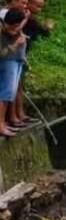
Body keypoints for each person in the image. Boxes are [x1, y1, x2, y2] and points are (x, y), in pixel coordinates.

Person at [0, 8, 27, 137]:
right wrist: (16, 44)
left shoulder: (13, 31)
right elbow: (2, 53)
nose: (18, 28)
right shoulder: (2, 32)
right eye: (16, 25)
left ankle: (3, 124)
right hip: (6, 63)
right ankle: (0, 125)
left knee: (8, 94)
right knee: (4, 94)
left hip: (15, 62)